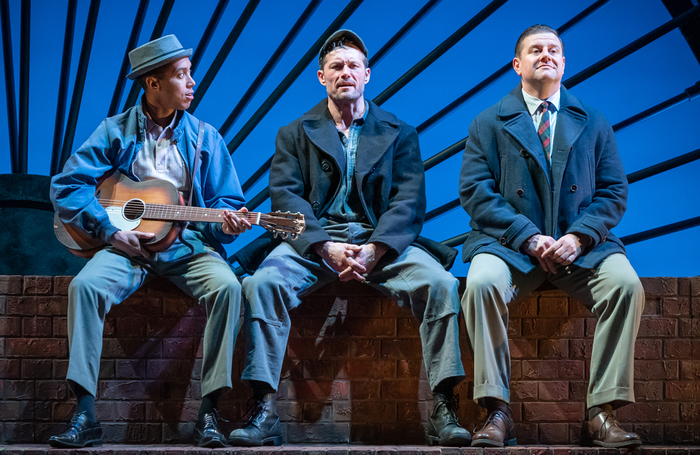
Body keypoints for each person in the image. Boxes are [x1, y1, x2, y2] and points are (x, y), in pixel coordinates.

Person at [229, 30, 470, 447]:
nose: (345, 73)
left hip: (383, 241)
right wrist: (325, 246)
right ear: (321, 77)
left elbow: (408, 202)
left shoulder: (400, 132)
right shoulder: (293, 133)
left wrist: (376, 248)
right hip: (313, 243)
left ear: (368, 74)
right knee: (263, 283)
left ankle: (444, 407)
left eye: (353, 66)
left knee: (442, 284)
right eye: (336, 67)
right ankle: (264, 407)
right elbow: (286, 198)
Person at [49, 35, 251, 448]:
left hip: (184, 246)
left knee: (228, 287)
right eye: (181, 75)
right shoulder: (115, 132)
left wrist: (225, 225)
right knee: (84, 288)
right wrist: (109, 231)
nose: (192, 82)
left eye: (190, 72)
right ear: (152, 84)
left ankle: (209, 412)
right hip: (126, 248)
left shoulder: (205, 138)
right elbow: (67, 185)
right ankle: (85, 414)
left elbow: (225, 204)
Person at [458, 24, 644, 448]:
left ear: (563, 63)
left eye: (554, 50)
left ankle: (602, 412)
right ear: (517, 64)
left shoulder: (594, 122)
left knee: (626, 286)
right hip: (509, 247)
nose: (546, 55)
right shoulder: (487, 122)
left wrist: (579, 237)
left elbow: (614, 192)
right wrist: (527, 236)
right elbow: (474, 191)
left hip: (580, 249)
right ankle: (496, 410)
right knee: (482, 283)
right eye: (535, 49)